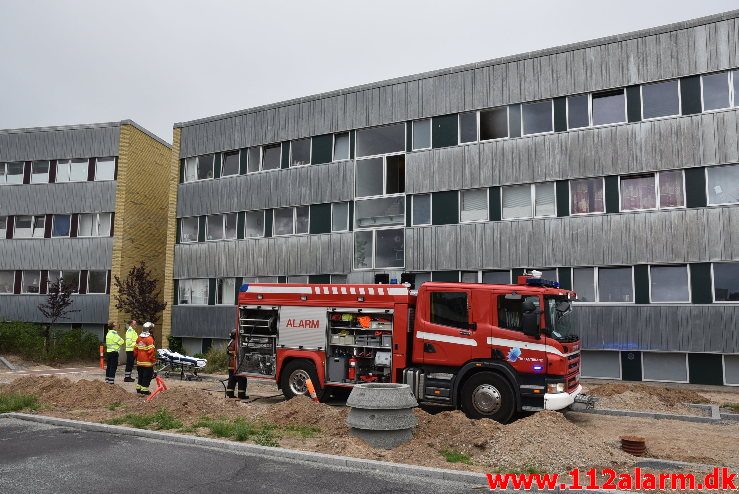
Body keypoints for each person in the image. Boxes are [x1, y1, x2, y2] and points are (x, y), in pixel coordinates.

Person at [134, 322, 157, 395]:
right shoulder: (149, 339)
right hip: (147, 363)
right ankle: (144, 390)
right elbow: (151, 352)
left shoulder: (139, 338)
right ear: (149, 330)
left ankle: (139, 389)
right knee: (147, 377)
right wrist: (153, 360)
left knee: (140, 376)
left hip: (139, 362)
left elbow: (135, 350)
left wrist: (136, 358)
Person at [227, 329, 248, 400]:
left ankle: (230, 394)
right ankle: (241, 395)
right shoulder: (237, 342)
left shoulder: (230, 342)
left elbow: (229, 352)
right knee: (242, 380)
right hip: (237, 366)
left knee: (231, 380)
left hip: (231, 365)